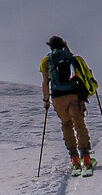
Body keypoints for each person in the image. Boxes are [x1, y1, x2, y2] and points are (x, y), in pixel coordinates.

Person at [41, 35, 96, 176]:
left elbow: (45, 82)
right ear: (63, 44)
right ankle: (86, 157)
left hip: (58, 98)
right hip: (73, 95)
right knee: (79, 124)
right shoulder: (72, 58)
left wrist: (46, 100)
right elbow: (84, 74)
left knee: (66, 124)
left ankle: (74, 159)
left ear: (51, 47)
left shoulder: (46, 61)